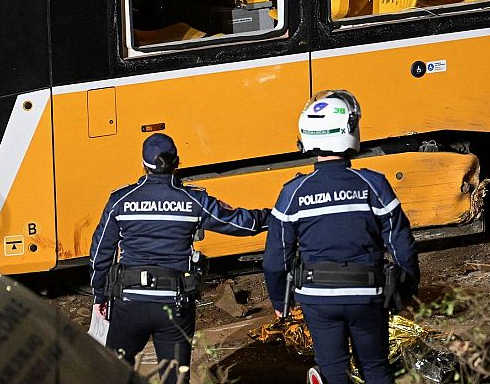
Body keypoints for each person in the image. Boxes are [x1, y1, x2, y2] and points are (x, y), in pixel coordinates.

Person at [262, 90, 420, 384]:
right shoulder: (373, 184)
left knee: (333, 370)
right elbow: (402, 244)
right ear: (350, 131)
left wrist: (278, 300)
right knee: (375, 367)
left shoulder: (292, 192)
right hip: (367, 294)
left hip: (317, 298)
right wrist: (405, 289)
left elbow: (275, 257)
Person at [89, 133, 267, 383]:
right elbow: (241, 223)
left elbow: (100, 252)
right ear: (177, 162)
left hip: (129, 305)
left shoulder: (121, 200)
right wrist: (277, 216)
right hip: (174, 306)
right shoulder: (193, 200)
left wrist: (100, 294)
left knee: (114, 373)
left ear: (143, 164)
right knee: (174, 378)